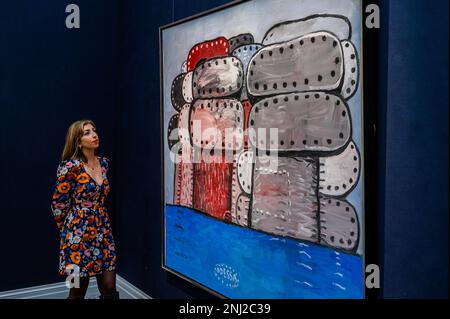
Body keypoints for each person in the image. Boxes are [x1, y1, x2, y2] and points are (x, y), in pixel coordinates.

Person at [50, 119, 119, 299]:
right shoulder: (69, 167)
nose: (94, 135)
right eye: (87, 132)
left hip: (103, 231)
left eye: (94, 130)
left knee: (109, 286)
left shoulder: (104, 164)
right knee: (77, 289)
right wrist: (69, 233)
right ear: (78, 142)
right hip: (77, 235)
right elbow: (58, 205)